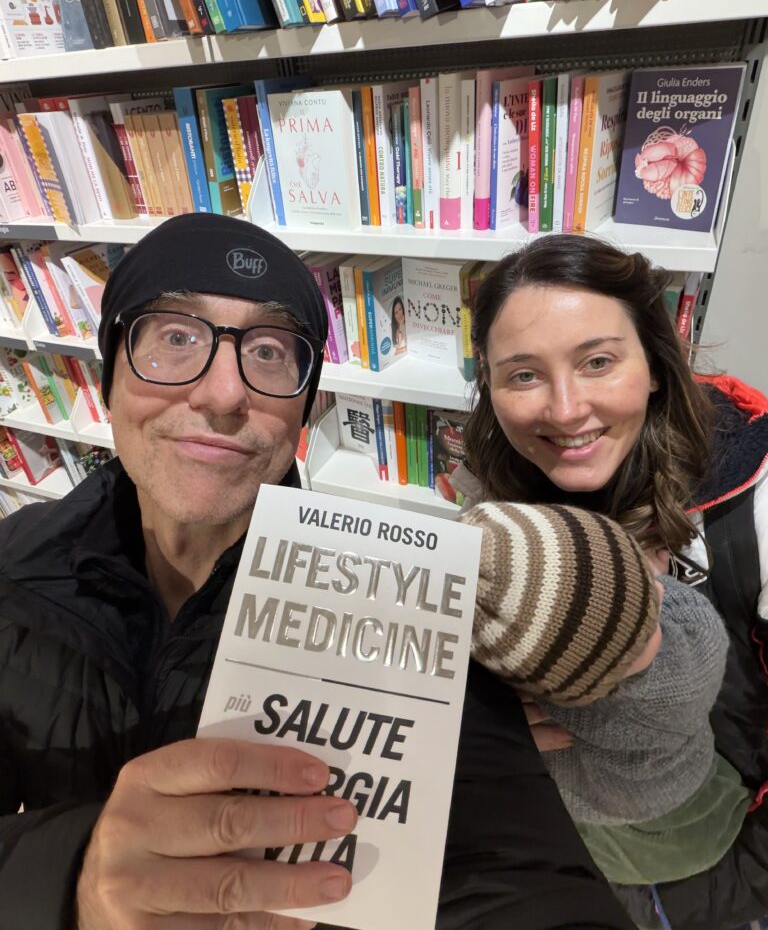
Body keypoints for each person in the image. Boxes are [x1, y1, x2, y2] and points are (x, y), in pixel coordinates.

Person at [0, 214, 639, 930]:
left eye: (269, 351)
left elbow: (515, 871)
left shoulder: (392, 594)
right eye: (176, 338)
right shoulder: (11, 570)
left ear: (304, 410)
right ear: (109, 377)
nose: (222, 393)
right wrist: (68, 880)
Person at [452, 232, 768, 930]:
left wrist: (734, 885)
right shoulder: (491, 484)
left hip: (709, 853)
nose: (565, 410)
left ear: (655, 361)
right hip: (555, 832)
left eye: (597, 362)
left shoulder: (753, 508)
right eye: (523, 375)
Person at [459, 498, 751, 889]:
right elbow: (681, 602)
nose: (659, 593)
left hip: (613, 809)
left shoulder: (558, 705)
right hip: (688, 781)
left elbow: (552, 763)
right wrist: (650, 575)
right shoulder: (702, 642)